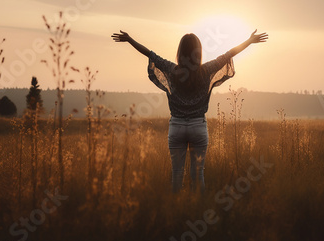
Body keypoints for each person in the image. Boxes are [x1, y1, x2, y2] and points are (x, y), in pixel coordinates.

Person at [111, 29, 268, 194]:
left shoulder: (172, 70)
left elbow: (150, 54)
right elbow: (229, 54)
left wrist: (130, 39)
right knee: (198, 174)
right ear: (198, 52)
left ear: (180, 52)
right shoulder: (206, 70)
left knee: (177, 175)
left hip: (176, 126)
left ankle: (176, 211)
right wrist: (249, 42)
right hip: (198, 127)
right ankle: (197, 210)